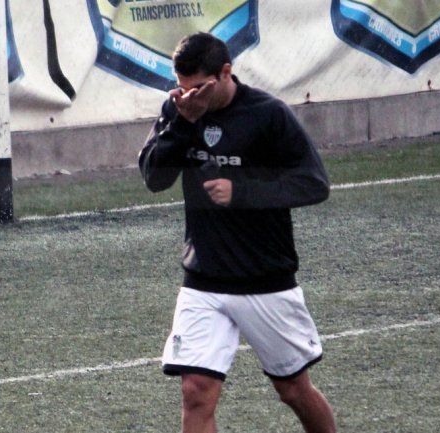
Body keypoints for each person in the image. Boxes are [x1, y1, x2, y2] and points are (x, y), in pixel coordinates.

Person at [139, 33, 336, 433]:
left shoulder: (269, 115)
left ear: (225, 73)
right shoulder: (179, 110)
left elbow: (314, 183)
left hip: (265, 279)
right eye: (180, 86)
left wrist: (242, 191)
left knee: (293, 389)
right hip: (203, 280)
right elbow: (154, 178)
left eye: (197, 88)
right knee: (195, 391)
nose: (187, 95)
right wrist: (184, 121)